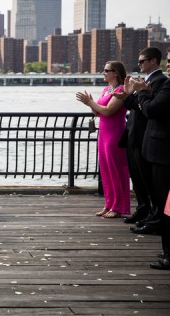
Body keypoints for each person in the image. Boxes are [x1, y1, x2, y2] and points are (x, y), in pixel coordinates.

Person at [119, 47, 167, 233]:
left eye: (142, 61)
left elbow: (149, 109)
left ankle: (155, 217)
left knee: (152, 184)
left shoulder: (160, 81)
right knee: (139, 179)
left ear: (153, 61)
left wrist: (141, 94)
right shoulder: (146, 82)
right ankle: (146, 211)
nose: (139, 64)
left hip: (145, 136)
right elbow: (137, 106)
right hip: (136, 135)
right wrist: (127, 95)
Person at [130, 53, 170, 270]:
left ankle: (169, 253)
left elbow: (152, 109)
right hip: (156, 149)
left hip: (162, 153)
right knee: (163, 203)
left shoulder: (164, 85)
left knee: (165, 204)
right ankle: (167, 250)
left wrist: (143, 93)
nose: (168, 65)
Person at [76, 61, 130, 219]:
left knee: (116, 169)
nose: (103, 73)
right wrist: (91, 106)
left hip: (115, 133)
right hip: (104, 133)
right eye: (104, 70)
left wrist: (90, 102)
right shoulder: (107, 89)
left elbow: (108, 111)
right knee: (106, 170)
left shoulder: (121, 90)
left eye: (107, 70)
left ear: (116, 73)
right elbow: (99, 113)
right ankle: (109, 204)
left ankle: (119, 207)